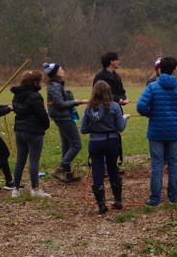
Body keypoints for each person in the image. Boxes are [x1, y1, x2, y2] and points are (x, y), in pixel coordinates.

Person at [136, 56, 177, 206]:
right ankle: (174, 197)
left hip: (156, 131)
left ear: (160, 70)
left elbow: (140, 106)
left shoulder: (152, 87)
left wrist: (150, 113)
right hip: (175, 132)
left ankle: (155, 198)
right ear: (174, 70)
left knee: (157, 165)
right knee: (173, 164)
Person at [81, 81, 129, 214]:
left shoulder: (89, 108)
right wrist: (124, 119)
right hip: (112, 141)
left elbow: (83, 129)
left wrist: (95, 126)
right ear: (108, 92)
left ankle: (101, 205)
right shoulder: (115, 107)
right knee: (113, 168)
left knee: (97, 171)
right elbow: (120, 127)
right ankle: (118, 200)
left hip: (96, 141)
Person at [44, 62, 88, 183]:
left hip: (61, 117)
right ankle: (60, 169)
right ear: (55, 73)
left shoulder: (56, 85)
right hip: (63, 117)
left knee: (66, 144)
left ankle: (68, 173)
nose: (63, 70)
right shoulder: (55, 86)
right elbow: (60, 104)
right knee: (76, 144)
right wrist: (76, 102)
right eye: (60, 69)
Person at [10, 70, 51, 198]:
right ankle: (35, 189)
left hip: (19, 131)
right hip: (34, 132)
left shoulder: (17, 95)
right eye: (39, 81)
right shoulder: (35, 96)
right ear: (34, 82)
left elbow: (16, 109)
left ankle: (15, 189)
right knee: (34, 161)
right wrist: (46, 125)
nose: (41, 83)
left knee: (20, 160)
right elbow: (42, 114)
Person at [93, 51, 129, 172]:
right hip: (103, 110)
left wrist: (123, 98)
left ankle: (112, 164)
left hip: (115, 109)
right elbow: (99, 94)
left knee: (114, 137)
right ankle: (102, 166)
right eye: (117, 59)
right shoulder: (99, 77)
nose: (119, 61)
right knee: (104, 137)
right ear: (111, 62)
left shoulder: (116, 76)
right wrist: (118, 100)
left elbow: (122, 91)